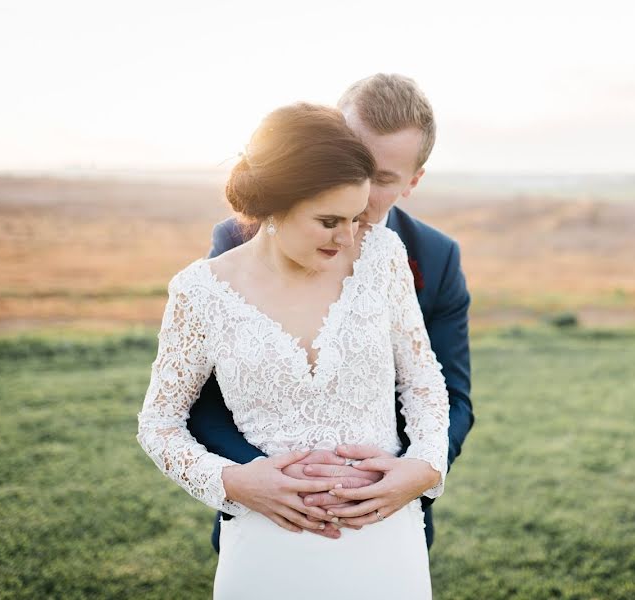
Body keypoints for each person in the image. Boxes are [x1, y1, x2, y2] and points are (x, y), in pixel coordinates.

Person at [137, 102, 449, 598]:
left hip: (384, 536)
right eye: (329, 221)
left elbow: (423, 379)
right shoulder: (200, 292)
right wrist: (235, 482)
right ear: (276, 206)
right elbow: (159, 423)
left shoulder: (382, 258)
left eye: (354, 217)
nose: (348, 236)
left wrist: (426, 465)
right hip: (266, 543)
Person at [187, 74, 474, 551]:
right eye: (352, 159)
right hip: (265, 515)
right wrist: (256, 477)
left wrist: (412, 472)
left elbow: (451, 395)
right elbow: (203, 397)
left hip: (383, 518)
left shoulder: (434, 256)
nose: (356, 186)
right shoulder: (239, 240)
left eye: (381, 178)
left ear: (412, 183)